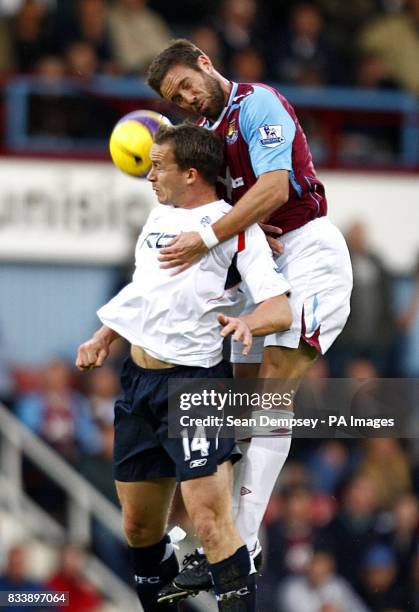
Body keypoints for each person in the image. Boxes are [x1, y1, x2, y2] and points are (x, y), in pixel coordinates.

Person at [146, 38, 353, 602]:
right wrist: (233, 225)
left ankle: (246, 540)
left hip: (309, 252)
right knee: (233, 402)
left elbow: (275, 187)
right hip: (258, 265)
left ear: (206, 64)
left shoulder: (257, 102)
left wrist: (215, 233)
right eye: (175, 97)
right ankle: (216, 537)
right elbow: (218, 205)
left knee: (273, 389)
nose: (187, 98)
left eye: (187, 83)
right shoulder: (203, 138)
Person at [76, 123, 292, 611]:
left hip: (194, 383)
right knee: (138, 528)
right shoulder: (157, 218)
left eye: (158, 165)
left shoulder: (236, 230)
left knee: (211, 523)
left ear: (191, 173)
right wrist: (104, 335)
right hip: (137, 382)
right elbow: (145, 294)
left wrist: (248, 326)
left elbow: (280, 308)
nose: (148, 174)